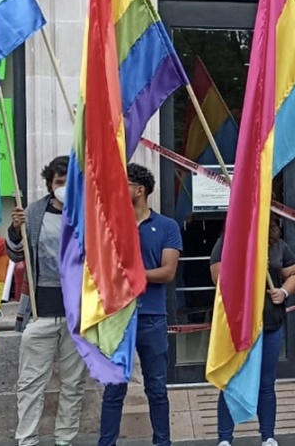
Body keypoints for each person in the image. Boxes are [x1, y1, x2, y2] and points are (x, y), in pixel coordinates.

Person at [99, 163, 184, 446]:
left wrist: (131, 274)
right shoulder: (109, 225)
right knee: (113, 390)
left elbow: (167, 272)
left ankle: (162, 442)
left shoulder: (167, 226)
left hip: (152, 317)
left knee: (157, 388)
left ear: (140, 190)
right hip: (117, 318)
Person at [8, 156, 88, 446]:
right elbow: (17, 256)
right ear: (49, 185)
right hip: (40, 312)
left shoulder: (89, 213)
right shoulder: (33, 213)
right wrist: (16, 232)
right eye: (59, 182)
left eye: (69, 182)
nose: (64, 187)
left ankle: (65, 440)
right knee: (30, 383)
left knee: (73, 384)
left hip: (77, 314)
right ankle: (27, 440)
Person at [210, 216, 295, 446]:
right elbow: (217, 278)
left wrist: (283, 292)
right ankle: (224, 438)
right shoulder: (226, 242)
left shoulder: (277, 245)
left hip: (269, 323)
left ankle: (268, 436)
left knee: (266, 383)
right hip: (237, 325)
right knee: (230, 380)